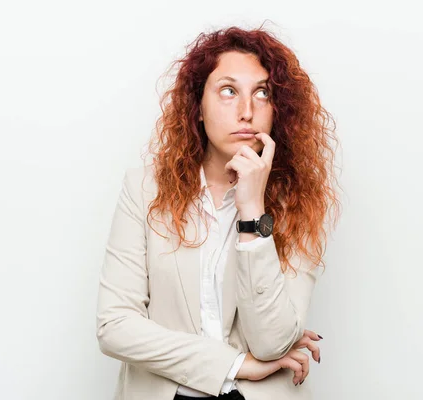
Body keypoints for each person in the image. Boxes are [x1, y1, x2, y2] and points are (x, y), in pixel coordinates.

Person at [96, 24, 342, 400]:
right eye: (228, 91)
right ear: (197, 107)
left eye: (262, 93)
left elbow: (272, 342)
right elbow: (115, 326)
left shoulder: (299, 201)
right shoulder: (144, 190)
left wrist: (252, 212)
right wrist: (234, 365)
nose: (247, 111)